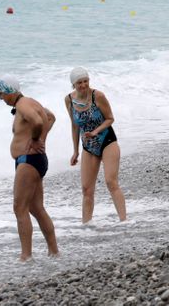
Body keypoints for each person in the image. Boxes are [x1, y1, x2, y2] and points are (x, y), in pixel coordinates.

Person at [0, 76, 59, 261]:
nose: (0, 98)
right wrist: (41, 139)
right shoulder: (30, 102)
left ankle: (26, 256)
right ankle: (54, 252)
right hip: (35, 159)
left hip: (29, 161)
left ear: (9, 92)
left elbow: (38, 122)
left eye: (1, 94)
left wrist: (34, 140)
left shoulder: (23, 105)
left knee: (19, 207)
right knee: (37, 208)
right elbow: (50, 117)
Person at [65, 67, 127, 223]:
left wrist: (95, 131)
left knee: (110, 181)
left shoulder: (97, 96)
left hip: (107, 141)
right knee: (86, 189)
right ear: (73, 84)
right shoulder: (69, 100)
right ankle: (86, 226)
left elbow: (110, 119)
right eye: (79, 82)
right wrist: (75, 151)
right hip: (88, 146)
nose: (84, 85)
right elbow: (74, 125)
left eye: (86, 81)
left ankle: (124, 221)